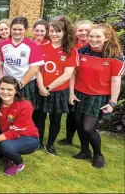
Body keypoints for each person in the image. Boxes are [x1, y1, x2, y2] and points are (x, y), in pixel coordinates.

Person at [70, 24, 124, 168]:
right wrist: (71, 94)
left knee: (88, 127)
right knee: (79, 125)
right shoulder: (81, 52)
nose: (93, 39)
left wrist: (112, 102)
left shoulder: (116, 56)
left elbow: (115, 81)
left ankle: (98, 154)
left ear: (107, 37)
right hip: (80, 94)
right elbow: (74, 73)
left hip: (99, 97)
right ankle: (84, 151)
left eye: (97, 36)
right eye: (91, 36)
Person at [34, 16, 78, 155]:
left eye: (58, 31)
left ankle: (50, 145)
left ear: (64, 32)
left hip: (59, 91)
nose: (54, 34)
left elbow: (67, 74)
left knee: (55, 120)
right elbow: (37, 69)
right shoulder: (41, 47)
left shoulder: (71, 50)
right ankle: (39, 142)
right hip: (40, 88)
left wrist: (48, 88)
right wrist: (41, 87)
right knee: (39, 118)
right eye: (51, 31)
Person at [0, 76, 40, 176]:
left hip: (28, 137)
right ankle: (8, 158)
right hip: (7, 136)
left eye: (9, 89)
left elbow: (15, 132)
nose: (5, 92)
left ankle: (18, 164)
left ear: (16, 91)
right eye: (2, 88)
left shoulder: (25, 105)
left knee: (7, 146)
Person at [58, 20, 93, 146]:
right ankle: (68, 138)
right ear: (75, 32)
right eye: (80, 30)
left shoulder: (95, 46)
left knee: (85, 119)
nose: (83, 33)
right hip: (73, 85)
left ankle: (85, 145)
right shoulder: (71, 47)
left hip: (90, 88)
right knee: (72, 115)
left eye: (87, 30)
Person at [0, 17, 44, 108]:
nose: (17, 32)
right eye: (14, 29)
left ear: (25, 30)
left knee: (24, 112)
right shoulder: (4, 45)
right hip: (7, 84)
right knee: (6, 110)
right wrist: (1, 78)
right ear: (11, 29)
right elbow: (1, 64)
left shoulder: (32, 45)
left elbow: (34, 69)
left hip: (24, 84)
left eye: (20, 29)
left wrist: (21, 83)